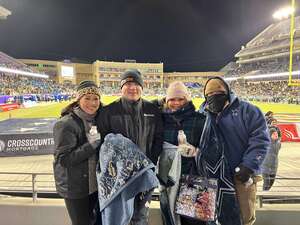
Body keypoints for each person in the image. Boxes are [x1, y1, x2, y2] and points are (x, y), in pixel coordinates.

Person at [197, 76, 270, 225]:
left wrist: (248, 167)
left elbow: (260, 140)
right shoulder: (202, 113)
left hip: (240, 177)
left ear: (227, 92)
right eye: (209, 95)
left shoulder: (248, 111)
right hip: (211, 178)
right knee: (211, 218)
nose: (213, 97)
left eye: (218, 93)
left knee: (243, 218)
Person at [96, 69, 163, 225]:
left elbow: (158, 138)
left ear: (142, 87)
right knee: (120, 217)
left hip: (144, 175)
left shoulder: (152, 110)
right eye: (128, 84)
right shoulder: (108, 111)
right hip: (120, 177)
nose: (132, 87)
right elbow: (103, 146)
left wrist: (149, 165)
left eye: (136, 84)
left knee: (140, 216)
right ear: (121, 87)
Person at [157, 81, 206, 225]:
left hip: (194, 179)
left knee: (194, 222)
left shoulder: (200, 120)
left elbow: (212, 151)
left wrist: (196, 152)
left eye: (181, 99)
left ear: (188, 99)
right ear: (166, 101)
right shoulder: (161, 120)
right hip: (168, 179)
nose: (176, 103)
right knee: (170, 219)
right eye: (172, 99)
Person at [53, 80, 102, 225]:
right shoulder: (65, 124)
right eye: (87, 98)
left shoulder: (98, 119)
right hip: (75, 189)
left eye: (96, 98)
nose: (92, 103)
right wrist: (91, 145)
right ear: (78, 99)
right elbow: (64, 159)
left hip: (95, 185)